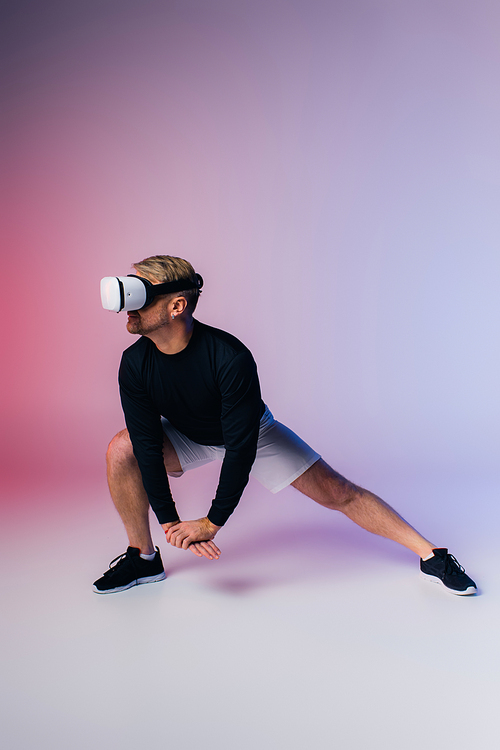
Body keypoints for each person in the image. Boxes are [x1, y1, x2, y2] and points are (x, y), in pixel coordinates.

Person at [93, 255, 477, 596]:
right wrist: (171, 522)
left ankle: (433, 556)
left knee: (339, 492)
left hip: (250, 433)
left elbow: (240, 448)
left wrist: (212, 522)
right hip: (189, 436)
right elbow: (146, 443)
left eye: (139, 295)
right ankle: (143, 558)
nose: (126, 307)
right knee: (123, 447)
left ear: (177, 305)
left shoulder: (229, 357)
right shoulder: (134, 363)